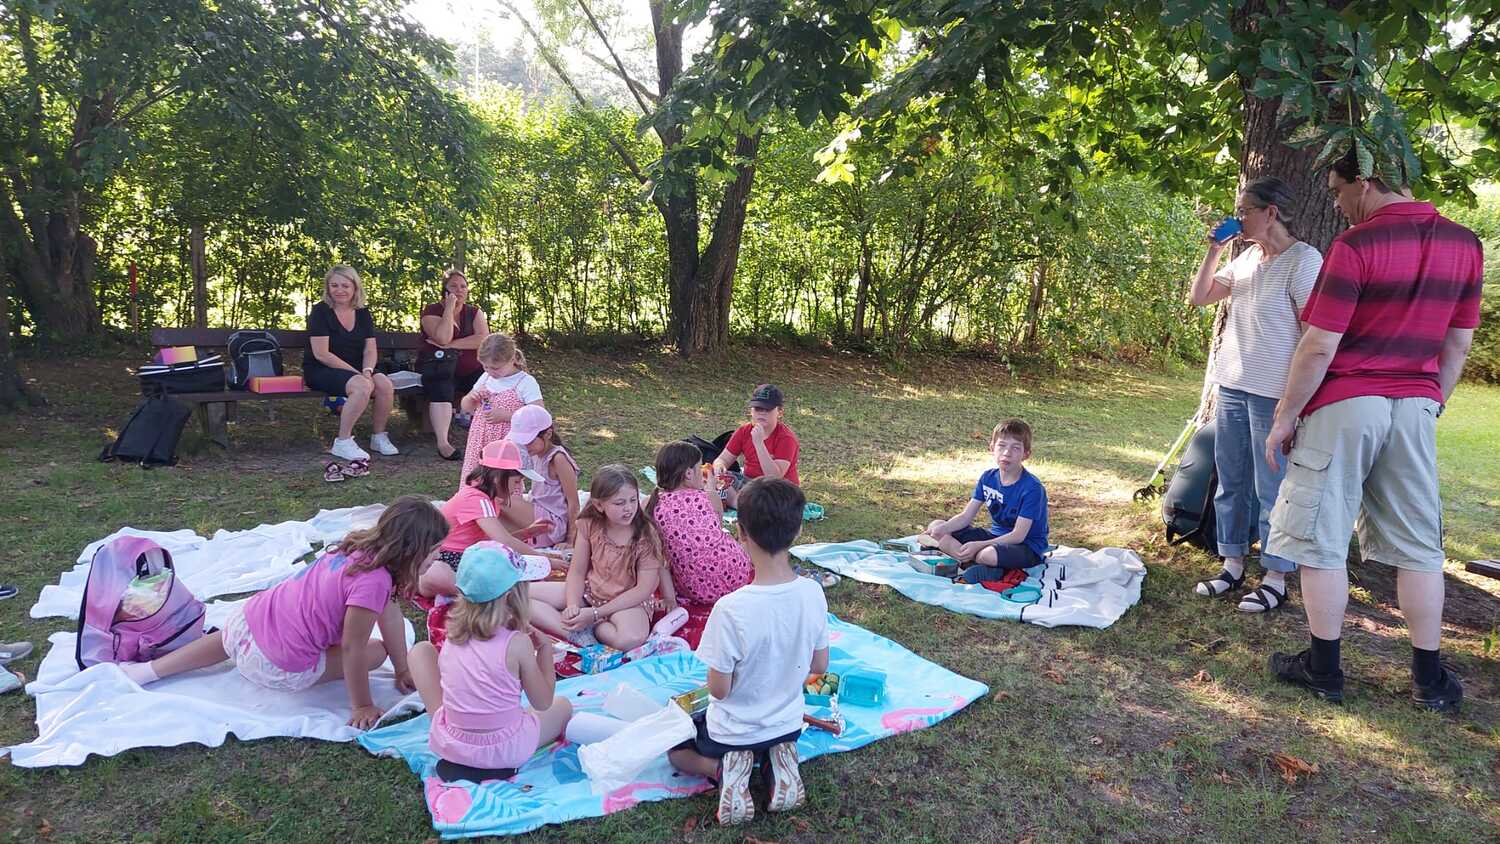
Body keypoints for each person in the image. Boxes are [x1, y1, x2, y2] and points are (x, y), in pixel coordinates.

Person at [1263, 147, 1484, 712]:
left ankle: (1324, 670)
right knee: (1419, 547)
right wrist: (1431, 404)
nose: (1338, 205)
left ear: (1365, 181)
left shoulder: (1357, 244)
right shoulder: (1465, 244)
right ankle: (1429, 680)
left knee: (1320, 537)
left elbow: (1319, 345)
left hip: (1346, 404)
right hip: (1415, 406)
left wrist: (1285, 416)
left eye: (1338, 191)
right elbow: (1457, 344)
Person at [117, 497, 448, 729]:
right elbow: (353, 647)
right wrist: (361, 704)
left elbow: (389, 613)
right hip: (277, 666)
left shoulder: (359, 549)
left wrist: (403, 667)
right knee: (375, 652)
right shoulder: (374, 583)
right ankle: (151, 672)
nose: (438, 558)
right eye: (435, 551)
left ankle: (149, 672)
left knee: (230, 639)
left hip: (244, 626)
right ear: (412, 551)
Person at [1188, 177, 1323, 613]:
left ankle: (1276, 577)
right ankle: (1231, 564)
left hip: (1274, 395)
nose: (1238, 217)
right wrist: (1214, 250)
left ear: (1271, 213)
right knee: (1231, 481)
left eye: (1245, 210)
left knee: (1273, 488)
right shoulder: (1246, 257)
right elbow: (1199, 297)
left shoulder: (1304, 261)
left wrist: (1295, 403)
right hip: (1232, 387)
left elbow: (1312, 334)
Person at [668, 478, 828, 825]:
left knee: (676, 750)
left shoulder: (730, 608)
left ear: (740, 532)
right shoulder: (813, 593)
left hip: (731, 733)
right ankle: (777, 763)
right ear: (798, 530)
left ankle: (723, 769)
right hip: (787, 725)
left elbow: (719, 690)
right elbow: (819, 664)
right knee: (768, 741)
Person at [406, 541, 572, 777]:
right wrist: (545, 650)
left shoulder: (453, 633)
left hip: (451, 746)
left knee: (421, 651)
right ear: (510, 597)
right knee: (562, 706)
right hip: (505, 751)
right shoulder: (517, 643)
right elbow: (543, 702)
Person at [419, 440, 560, 636]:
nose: (518, 487)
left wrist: (526, 533)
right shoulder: (476, 499)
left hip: (467, 557)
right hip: (448, 560)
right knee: (512, 589)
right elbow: (504, 542)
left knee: (514, 585)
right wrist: (546, 560)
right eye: (516, 481)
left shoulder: (486, 498)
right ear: (497, 477)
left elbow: (493, 540)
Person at [530, 465, 665, 651]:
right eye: (620, 503)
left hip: (627, 602)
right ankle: (575, 632)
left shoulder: (645, 534)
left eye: (633, 500)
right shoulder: (589, 524)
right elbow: (577, 571)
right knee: (518, 595)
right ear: (599, 505)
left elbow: (643, 589)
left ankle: (592, 627)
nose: (629, 508)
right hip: (591, 592)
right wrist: (572, 606)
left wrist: (595, 614)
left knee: (630, 639)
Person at [924, 418, 1050, 584]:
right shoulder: (988, 478)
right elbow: (966, 517)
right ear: (992, 448)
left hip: (1027, 546)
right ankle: (975, 563)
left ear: (1026, 454)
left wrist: (978, 545)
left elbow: (1018, 535)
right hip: (994, 537)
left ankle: (980, 562)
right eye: (1002, 445)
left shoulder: (1032, 488)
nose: (1007, 453)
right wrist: (941, 530)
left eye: (1015, 448)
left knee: (987, 554)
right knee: (937, 525)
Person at [304, 265, 399, 462]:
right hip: (323, 369)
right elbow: (322, 354)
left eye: (345, 286)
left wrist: (367, 371)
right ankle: (343, 441)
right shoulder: (320, 311)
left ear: (355, 287)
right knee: (362, 386)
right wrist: (358, 375)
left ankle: (378, 437)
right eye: (334, 285)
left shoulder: (363, 313)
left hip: (358, 368)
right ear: (328, 287)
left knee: (384, 384)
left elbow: (370, 350)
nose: (339, 290)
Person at [647, 440, 753, 607]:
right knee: (741, 538)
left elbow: (658, 558)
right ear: (689, 474)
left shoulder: (651, 505)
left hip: (697, 590)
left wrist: (669, 598)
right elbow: (716, 529)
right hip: (738, 574)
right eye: (700, 467)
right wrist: (712, 490)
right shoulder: (707, 497)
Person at [419, 269, 491, 461]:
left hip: (471, 369)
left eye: (463, 286)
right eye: (453, 286)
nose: (459, 290)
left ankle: (489, 437)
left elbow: (483, 339)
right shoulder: (431, 311)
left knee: (490, 383)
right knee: (441, 386)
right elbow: (443, 337)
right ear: (444, 290)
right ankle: (443, 443)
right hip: (439, 367)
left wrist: (451, 345)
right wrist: (449, 309)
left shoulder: (474, 312)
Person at [459, 333, 542, 483]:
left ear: (512, 360)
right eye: (485, 367)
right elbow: (466, 407)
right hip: (479, 440)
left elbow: (538, 416)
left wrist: (507, 416)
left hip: (507, 443)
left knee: (502, 482)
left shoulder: (525, 382)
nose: (490, 371)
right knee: (476, 478)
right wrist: (471, 398)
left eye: (496, 368)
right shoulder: (486, 378)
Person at [712, 384, 800, 510]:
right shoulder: (744, 431)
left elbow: (774, 477)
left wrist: (759, 444)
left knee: (767, 499)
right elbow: (723, 459)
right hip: (749, 483)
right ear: (751, 411)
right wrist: (719, 467)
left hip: (779, 489)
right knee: (709, 477)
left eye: (768, 409)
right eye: (758, 408)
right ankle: (740, 503)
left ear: (780, 412)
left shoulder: (786, 438)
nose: (762, 413)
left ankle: (739, 503)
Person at [507, 405, 581, 550]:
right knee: (497, 504)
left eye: (529, 441)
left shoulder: (558, 458)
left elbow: (573, 502)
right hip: (539, 514)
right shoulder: (535, 453)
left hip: (554, 523)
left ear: (547, 434)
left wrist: (571, 540)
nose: (525, 446)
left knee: (503, 502)